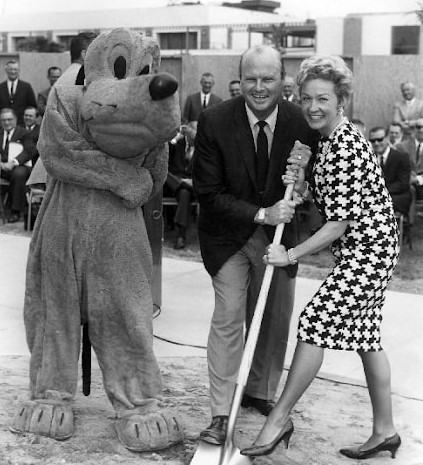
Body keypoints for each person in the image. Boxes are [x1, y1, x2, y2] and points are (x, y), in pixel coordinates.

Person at [241, 55, 401, 461]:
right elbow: (335, 198)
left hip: (369, 251)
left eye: (323, 99)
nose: (312, 106)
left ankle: (279, 418)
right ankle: (385, 431)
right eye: (306, 98)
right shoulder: (327, 142)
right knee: (367, 339)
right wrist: (302, 187)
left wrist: (288, 253)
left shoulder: (344, 145)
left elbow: (338, 224)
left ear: (341, 99)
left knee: (314, 322)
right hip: (362, 248)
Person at [192, 45, 318, 445]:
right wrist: (264, 213)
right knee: (228, 317)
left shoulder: (301, 121)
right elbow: (208, 193)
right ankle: (220, 412)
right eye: (251, 79)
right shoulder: (214, 121)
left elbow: (312, 179)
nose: (259, 88)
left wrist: (302, 189)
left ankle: (260, 392)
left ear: (283, 80)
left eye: (268, 79)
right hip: (228, 235)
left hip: (278, 243)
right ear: (239, 79)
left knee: (274, 317)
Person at [164, 121, 197, 250]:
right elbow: (162, 155)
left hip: (190, 186)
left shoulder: (204, 148)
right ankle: (182, 184)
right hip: (172, 183)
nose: (194, 141)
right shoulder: (178, 144)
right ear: (186, 135)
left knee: (184, 193)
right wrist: (173, 140)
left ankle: (180, 236)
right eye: (191, 138)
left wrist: (193, 182)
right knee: (164, 172)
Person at [0, 108, 36, 222]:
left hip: (20, 166)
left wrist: (13, 162)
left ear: (15, 120)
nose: (6, 122)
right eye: (3, 120)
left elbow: (29, 151)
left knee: (18, 174)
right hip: (2, 167)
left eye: (9, 119)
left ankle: (16, 211)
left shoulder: (25, 133)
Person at [369, 126, 411, 216]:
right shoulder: (369, 159)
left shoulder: (401, 157)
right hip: (374, 197)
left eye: (380, 139)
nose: (376, 143)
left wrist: (380, 191)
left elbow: (403, 183)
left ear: (387, 138)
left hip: (396, 197)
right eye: (373, 141)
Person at [397, 117, 423, 223]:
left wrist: (420, 179)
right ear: (413, 129)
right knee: (409, 189)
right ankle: (409, 225)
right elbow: (401, 168)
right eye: (418, 127)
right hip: (410, 181)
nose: (421, 130)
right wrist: (413, 178)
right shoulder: (402, 146)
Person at [0, 60, 37, 125]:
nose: (13, 72)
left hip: (22, 125)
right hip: (3, 125)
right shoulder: (1, 87)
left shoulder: (26, 87)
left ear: (18, 70)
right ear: (6, 70)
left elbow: (32, 105)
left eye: (15, 69)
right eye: (10, 69)